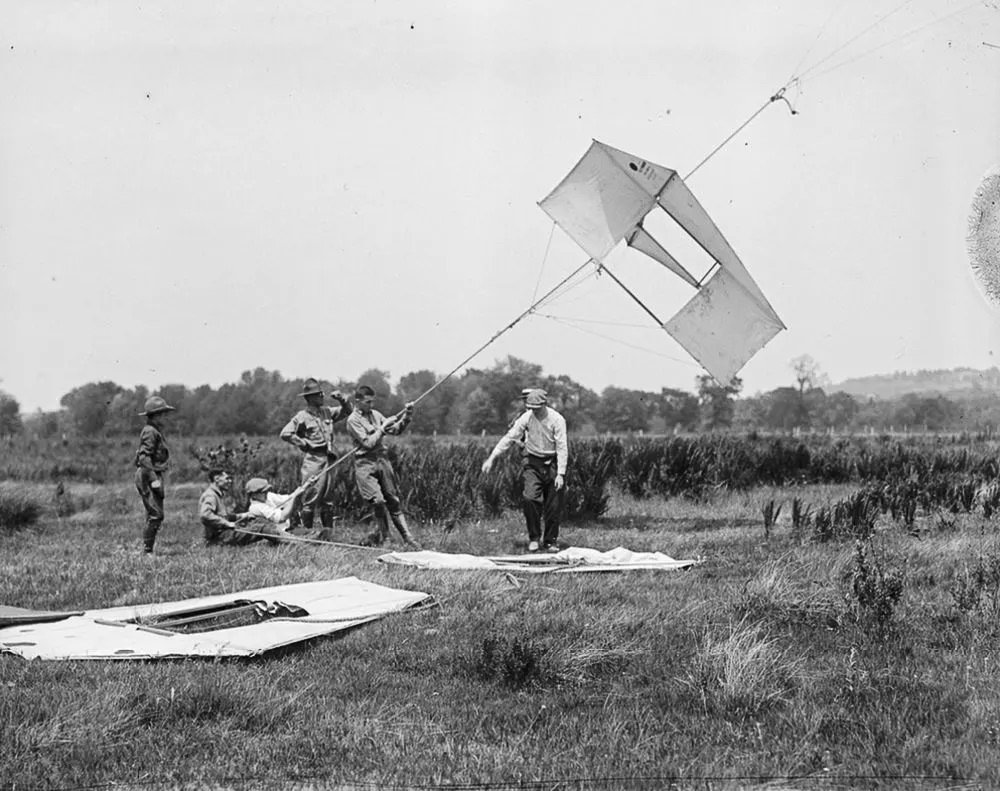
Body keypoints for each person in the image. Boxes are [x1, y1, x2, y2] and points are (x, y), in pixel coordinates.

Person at [481, 388, 568, 552]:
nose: (533, 410)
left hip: (553, 462)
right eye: (531, 407)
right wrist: (492, 458)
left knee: (553, 505)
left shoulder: (557, 419)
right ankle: (534, 538)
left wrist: (561, 474)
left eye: (537, 407)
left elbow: (562, 447)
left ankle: (550, 541)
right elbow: (510, 437)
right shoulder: (526, 418)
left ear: (544, 404)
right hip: (533, 462)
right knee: (530, 498)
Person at [345, 385, 421, 549]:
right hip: (365, 463)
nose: (370, 405)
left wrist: (407, 415)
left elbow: (396, 430)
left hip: (382, 460)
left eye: (372, 402)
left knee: (393, 500)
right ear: (357, 401)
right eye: (367, 402)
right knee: (378, 501)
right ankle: (386, 538)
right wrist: (382, 426)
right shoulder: (353, 420)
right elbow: (368, 443)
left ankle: (408, 538)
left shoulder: (376, 415)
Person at [279, 378, 352, 530]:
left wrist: (342, 400)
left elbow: (347, 412)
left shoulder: (327, 412)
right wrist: (304, 443)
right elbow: (285, 433)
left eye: (321, 393)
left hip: (330, 458)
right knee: (310, 496)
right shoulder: (302, 416)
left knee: (328, 499)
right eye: (318, 394)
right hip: (313, 459)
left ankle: (328, 534)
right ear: (310, 398)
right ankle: (307, 534)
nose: (322, 396)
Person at [199, 469, 286, 547]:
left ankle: (287, 538)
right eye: (227, 478)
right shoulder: (210, 495)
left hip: (223, 533)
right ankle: (292, 542)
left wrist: (242, 516)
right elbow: (205, 515)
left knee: (260, 521)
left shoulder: (216, 495)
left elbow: (222, 516)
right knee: (261, 528)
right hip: (218, 537)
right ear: (217, 479)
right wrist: (226, 523)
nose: (230, 481)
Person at [134, 395, 175, 554]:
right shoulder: (150, 431)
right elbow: (144, 457)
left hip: (153, 474)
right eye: (163, 413)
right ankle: (147, 552)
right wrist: (153, 480)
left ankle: (148, 549)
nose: (165, 417)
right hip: (148, 474)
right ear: (155, 415)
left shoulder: (155, 430)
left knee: (154, 513)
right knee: (156, 514)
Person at [244, 476, 337, 542]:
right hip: (280, 534)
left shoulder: (268, 496)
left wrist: (306, 485)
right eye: (263, 492)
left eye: (267, 490)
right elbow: (282, 517)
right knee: (316, 535)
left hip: (289, 528)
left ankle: (322, 536)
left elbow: (288, 498)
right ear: (254, 494)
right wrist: (294, 497)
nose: (266, 493)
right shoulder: (255, 508)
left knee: (324, 532)